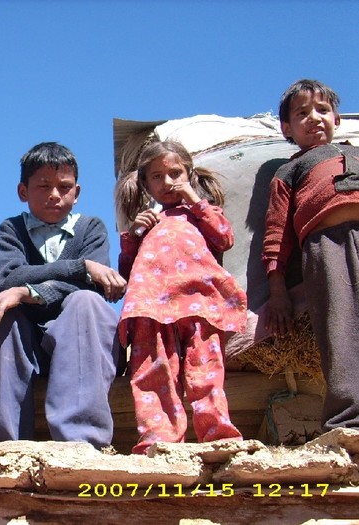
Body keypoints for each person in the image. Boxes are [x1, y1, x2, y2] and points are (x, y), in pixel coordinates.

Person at [0, 142, 126, 449]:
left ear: (76, 193)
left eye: (64, 187)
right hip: (28, 350)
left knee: (85, 302)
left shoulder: (91, 228)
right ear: (23, 191)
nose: (54, 194)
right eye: (43, 186)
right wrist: (80, 267)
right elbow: (8, 278)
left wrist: (27, 292)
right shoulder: (11, 230)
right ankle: (6, 445)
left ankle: (83, 442)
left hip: (83, 350)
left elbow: (95, 288)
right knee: (1, 313)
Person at [116, 140, 246, 454]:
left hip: (198, 301)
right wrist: (133, 234)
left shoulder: (201, 214)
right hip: (150, 305)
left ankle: (218, 437)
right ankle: (158, 440)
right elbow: (128, 270)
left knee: (206, 370)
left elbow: (224, 238)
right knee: (153, 371)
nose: (167, 182)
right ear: (146, 184)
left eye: (175, 173)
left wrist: (195, 201)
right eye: (157, 176)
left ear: (189, 174)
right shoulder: (148, 222)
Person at [263, 79, 359, 431]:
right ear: (286, 128)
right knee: (340, 326)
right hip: (326, 247)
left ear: (337, 118)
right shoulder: (288, 170)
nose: (314, 118)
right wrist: (277, 291)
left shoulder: (358, 153)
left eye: (322, 110)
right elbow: (276, 233)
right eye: (302, 113)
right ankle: (349, 419)